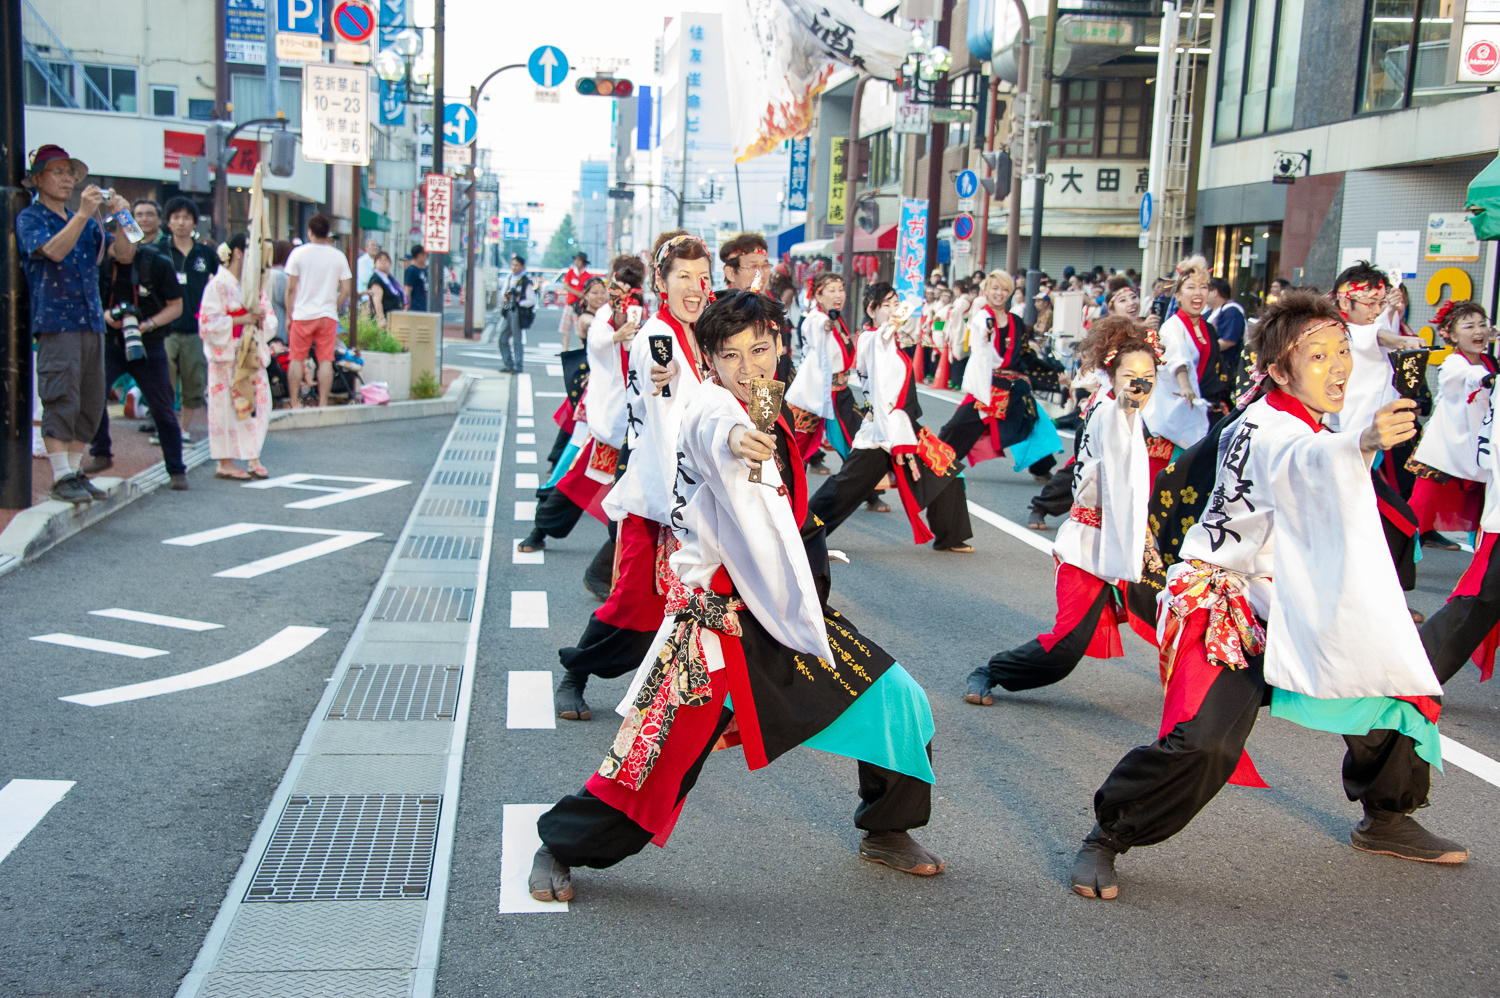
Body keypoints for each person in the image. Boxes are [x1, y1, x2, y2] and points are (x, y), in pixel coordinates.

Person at [527, 290, 943, 904]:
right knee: (652, 768)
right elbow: (715, 436)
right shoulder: (713, 412)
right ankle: (559, 844)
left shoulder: (771, 408)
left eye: (760, 349)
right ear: (711, 363)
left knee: (898, 699)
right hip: (715, 630)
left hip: (782, 615)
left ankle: (886, 827)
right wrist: (739, 442)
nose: (748, 366)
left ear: (780, 345)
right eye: (730, 355)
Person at [1070, 290, 1464, 903]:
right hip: (1227, 601)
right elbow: (1302, 460)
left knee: (1393, 686)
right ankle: (1107, 834)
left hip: (1294, 597)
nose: (1336, 367)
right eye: (1318, 356)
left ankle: (1386, 816)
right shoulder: (1269, 427)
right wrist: (1359, 441)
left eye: (1341, 353)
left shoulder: (1299, 417)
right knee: (1204, 743)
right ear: (1279, 369)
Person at [554, 235, 716, 721]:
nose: (695, 287)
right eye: (683, 277)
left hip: (696, 496)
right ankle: (574, 674)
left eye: (702, 277)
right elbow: (662, 416)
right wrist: (682, 510)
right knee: (632, 607)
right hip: (661, 502)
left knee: (698, 604)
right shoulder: (660, 337)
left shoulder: (701, 336)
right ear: (662, 284)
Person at [966, 317, 1159, 704]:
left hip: (1133, 540)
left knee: (1180, 617)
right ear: (1111, 373)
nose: (1140, 383)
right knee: (1067, 647)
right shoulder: (1111, 410)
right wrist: (1127, 399)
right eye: (1130, 375)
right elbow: (1120, 412)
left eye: (1149, 375)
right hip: (1089, 543)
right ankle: (991, 671)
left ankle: (1229, 692)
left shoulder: (1117, 406)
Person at [807, 282, 975, 552]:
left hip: (901, 426)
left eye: (895, 304)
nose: (893, 310)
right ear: (871, 310)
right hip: (882, 432)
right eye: (886, 305)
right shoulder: (872, 339)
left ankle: (951, 534)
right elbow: (881, 339)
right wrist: (891, 440)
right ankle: (800, 532)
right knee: (843, 491)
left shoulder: (886, 339)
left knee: (947, 467)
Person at [14, 144, 124, 504]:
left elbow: (122, 254)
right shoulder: (31, 218)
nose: (68, 179)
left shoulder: (88, 223)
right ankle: (60, 476)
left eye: (70, 172)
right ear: (38, 180)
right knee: (61, 395)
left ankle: (75, 471)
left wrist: (123, 218)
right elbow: (53, 251)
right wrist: (83, 214)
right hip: (56, 322)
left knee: (92, 402)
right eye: (58, 172)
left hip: (91, 322)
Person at [519, 255, 646, 558]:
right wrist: (617, 334)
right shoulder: (605, 313)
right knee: (580, 479)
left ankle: (606, 568)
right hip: (613, 416)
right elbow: (596, 338)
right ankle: (542, 529)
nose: (621, 293)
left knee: (638, 496)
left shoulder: (645, 311)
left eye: (630, 286)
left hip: (639, 414)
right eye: (619, 285)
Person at [83, 227, 188, 489]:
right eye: (113, 242)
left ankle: (176, 469)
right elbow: (91, 301)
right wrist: (106, 316)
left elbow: (176, 306)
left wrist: (148, 324)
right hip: (110, 342)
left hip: (150, 343)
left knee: (163, 407)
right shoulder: (101, 265)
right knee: (93, 394)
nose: (119, 248)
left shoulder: (157, 264)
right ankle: (101, 452)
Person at [939, 269, 1065, 486]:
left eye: (1005, 289)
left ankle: (1042, 469)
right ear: (986, 290)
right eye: (995, 288)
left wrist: (1053, 373)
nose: (999, 293)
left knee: (1033, 424)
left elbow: (1025, 354)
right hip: (988, 386)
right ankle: (937, 462)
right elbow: (980, 344)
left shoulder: (1016, 322)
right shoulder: (982, 318)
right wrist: (986, 334)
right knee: (959, 425)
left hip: (1014, 386)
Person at [199, 233, 275, 481]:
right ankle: (225, 461)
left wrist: (262, 321)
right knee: (225, 411)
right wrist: (240, 319)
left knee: (259, 406)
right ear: (239, 253)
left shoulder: (252, 285)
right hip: (227, 356)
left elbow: (270, 318)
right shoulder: (217, 285)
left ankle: (253, 456)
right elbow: (207, 325)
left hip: (250, 352)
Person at [1139, 263, 1220, 453]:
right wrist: (1185, 386)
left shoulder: (1208, 328)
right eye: (1191, 287)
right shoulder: (1172, 326)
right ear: (1178, 295)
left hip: (1202, 401)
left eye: (1203, 287)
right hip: (1175, 405)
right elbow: (1177, 359)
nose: (1198, 293)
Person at [161, 196, 218, 445]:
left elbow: (220, 283)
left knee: (193, 382)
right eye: (176, 218)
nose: (181, 223)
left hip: (196, 329)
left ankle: (183, 428)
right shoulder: (159, 251)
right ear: (168, 222)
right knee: (164, 382)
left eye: (186, 218)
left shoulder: (205, 253)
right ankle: (166, 428)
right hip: (165, 329)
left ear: (194, 222)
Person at [284, 214, 352, 408]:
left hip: (302, 314)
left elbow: (290, 288)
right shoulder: (338, 256)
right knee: (325, 360)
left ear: (310, 232)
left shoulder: (298, 253)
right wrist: (334, 306)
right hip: (327, 315)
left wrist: (289, 314)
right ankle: (323, 402)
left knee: (296, 359)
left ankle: (295, 402)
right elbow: (346, 289)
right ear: (327, 233)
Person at [498, 254, 536, 373]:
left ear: (522, 266)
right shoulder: (509, 278)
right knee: (502, 339)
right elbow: (503, 293)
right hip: (508, 310)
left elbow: (532, 300)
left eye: (517, 265)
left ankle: (518, 366)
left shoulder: (526, 281)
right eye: (512, 265)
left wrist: (520, 302)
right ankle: (508, 363)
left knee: (516, 339)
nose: (514, 267)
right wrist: (507, 296)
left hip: (518, 312)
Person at [559, 251, 592, 351]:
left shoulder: (587, 276)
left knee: (580, 330)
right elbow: (566, 285)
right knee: (565, 328)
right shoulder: (570, 273)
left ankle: (581, 348)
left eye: (579, 260)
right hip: (570, 303)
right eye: (576, 260)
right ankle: (565, 349)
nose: (576, 262)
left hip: (580, 305)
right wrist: (577, 293)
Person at [367, 251, 407, 328]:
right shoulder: (376, 279)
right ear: (375, 264)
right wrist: (381, 319)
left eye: (385, 260)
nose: (383, 262)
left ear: (390, 263)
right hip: (385, 317)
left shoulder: (390, 279)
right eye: (380, 260)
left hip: (395, 317)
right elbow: (377, 301)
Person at [265, 240, 292, 344]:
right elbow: (290, 301)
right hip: (279, 333)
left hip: (266, 330)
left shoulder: (265, 274)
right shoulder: (280, 277)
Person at [403, 245, 429, 312]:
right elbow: (408, 289)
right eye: (426, 255)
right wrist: (407, 305)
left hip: (423, 304)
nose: (427, 258)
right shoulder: (411, 270)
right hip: (415, 306)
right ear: (420, 255)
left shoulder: (422, 270)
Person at [355, 236, 380, 302]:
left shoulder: (376, 260)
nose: (375, 247)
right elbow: (365, 278)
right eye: (372, 245)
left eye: (376, 246)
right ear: (366, 248)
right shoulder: (362, 260)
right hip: (364, 295)